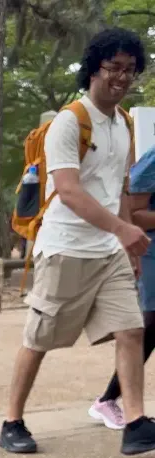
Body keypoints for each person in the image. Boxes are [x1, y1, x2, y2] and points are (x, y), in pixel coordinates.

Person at [0, 27, 155, 457]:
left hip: (108, 252)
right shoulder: (70, 122)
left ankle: (136, 423)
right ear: (93, 70)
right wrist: (123, 229)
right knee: (40, 337)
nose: (122, 77)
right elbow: (68, 190)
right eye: (113, 68)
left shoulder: (123, 124)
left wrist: (125, 239)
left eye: (130, 69)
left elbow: (119, 189)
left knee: (132, 329)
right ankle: (12, 420)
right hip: (66, 248)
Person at [89, 143, 155, 429]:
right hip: (151, 250)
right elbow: (135, 213)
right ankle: (106, 400)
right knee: (151, 324)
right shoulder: (152, 161)